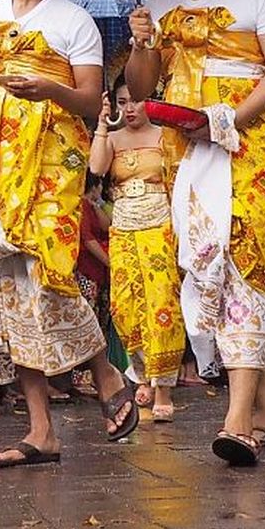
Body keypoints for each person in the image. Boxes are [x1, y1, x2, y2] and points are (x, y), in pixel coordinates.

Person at [0, 0, 134, 469]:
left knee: (49, 273)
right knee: (8, 287)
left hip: (55, 162)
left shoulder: (73, 20)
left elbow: (87, 99)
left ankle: (104, 372)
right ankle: (40, 430)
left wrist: (48, 90)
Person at [126, 0, 265, 467]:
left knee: (243, 249)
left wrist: (227, 119)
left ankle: (237, 420)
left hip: (244, 139)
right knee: (204, 259)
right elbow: (144, 86)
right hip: (182, 144)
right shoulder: (159, 3)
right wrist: (142, 42)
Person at [89, 79, 184, 423]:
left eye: (136, 101)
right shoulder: (112, 138)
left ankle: (164, 389)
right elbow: (97, 169)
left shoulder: (165, 136)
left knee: (162, 305)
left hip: (160, 227)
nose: (129, 109)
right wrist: (101, 124)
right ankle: (141, 372)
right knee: (126, 305)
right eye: (121, 101)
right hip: (124, 230)